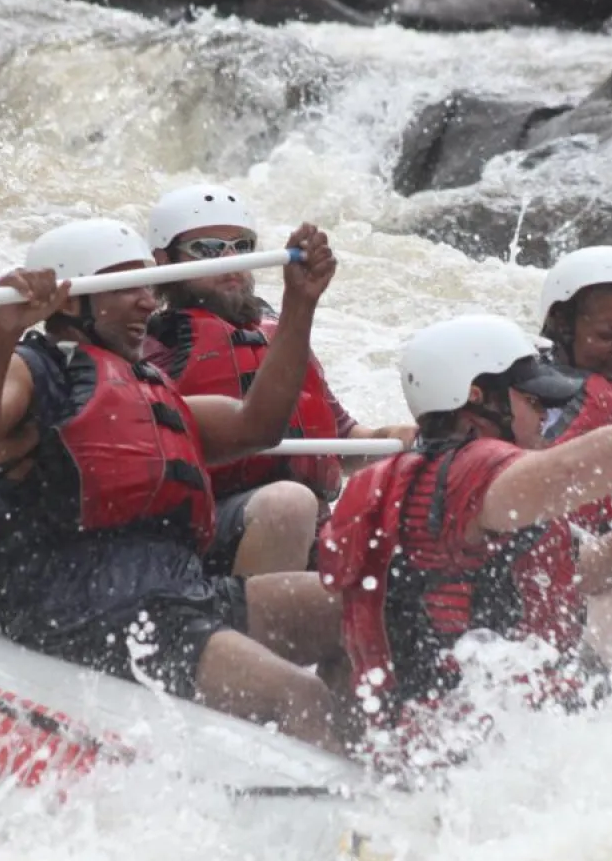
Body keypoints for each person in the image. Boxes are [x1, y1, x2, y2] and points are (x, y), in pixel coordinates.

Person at [0, 219, 347, 752]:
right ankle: (337, 822)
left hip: (179, 597)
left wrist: (300, 303)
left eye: (148, 285)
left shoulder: (151, 387)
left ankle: (377, 780)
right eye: (126, 287)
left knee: (363, 607)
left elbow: (257, 426)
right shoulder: (33, 372)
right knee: (301, 694)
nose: (148, 302)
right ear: (71, 300)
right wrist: (2, 330)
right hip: (88, 613)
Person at [318, 314, 612, 751]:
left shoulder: (428, 476)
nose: (544, 417)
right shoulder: (471, 471)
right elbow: (578, 464)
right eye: (532, 401)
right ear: (477, 398)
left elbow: (576, 576)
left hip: (476, 718)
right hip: (472, 742)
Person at [145, 184, 417, 578]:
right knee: (289, 504)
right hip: (208, 529)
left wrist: (405, 441)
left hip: (304, 522)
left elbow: (343, 441)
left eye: (242, 246)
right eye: (206, 249)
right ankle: (243, 620)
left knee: (401, 521)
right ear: (164, 259)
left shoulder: (280, 336)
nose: (229, 260)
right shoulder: (153, 343)